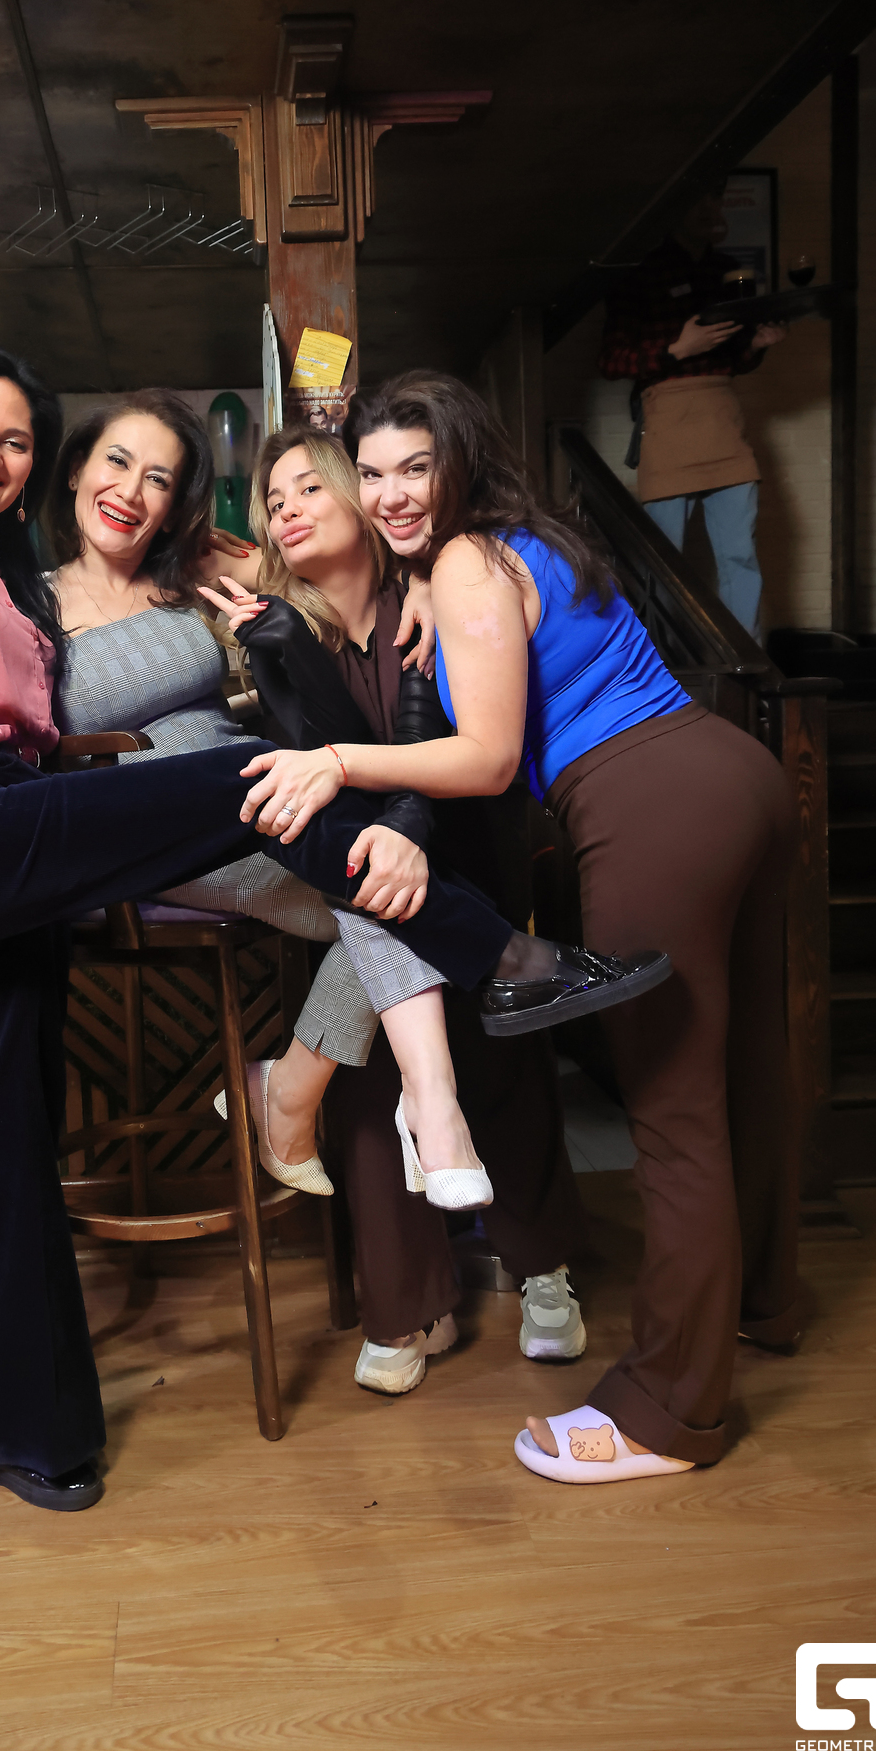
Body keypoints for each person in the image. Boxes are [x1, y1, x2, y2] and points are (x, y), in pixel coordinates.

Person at [0, 346, 605, 1513]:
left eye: (15, 439)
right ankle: (500, 954)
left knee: (11, 1120)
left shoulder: (9, 570)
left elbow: (32, 702)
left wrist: (410, 595)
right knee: (248, 779)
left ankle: (11, 1428)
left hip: (21, 819)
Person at [234, 371, 801, 1484]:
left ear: (462, 461)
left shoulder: (462, 562)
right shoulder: (517, 545)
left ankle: (668, 1412)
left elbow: (490, 759)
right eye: (375, 473)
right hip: (734, 776)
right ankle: (763, 1305)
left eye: (416, 468)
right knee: (747, 1074)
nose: (393, 494)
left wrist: (335, 759)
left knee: (672, 1111)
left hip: (646, 804)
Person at [201, 427, 591, 1390]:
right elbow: (321, 777)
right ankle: (406, 1303)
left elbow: (447, 742)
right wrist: (287, 652)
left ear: (355, 495)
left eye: (308, 488)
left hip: (465, 854)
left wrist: (412, 833)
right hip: (366, 883)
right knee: (371, 1082)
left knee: (505, 1059)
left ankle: (543, 1267)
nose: (287, 510)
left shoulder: (428, 596)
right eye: (273, 500)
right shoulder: (280, 630)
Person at [598, 179, 786, 639]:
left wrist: (757, 345)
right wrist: (677, 348)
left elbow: (732, 359)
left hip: (722, 418)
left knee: (740, 555)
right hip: (668, 422)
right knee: (662, 561)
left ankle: (748, 663)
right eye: (699, 197)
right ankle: (663, 662)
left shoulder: (725, 269)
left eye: (715, 196)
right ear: (674, 208)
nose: (709, 206)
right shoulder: (643, 272)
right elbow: (610, 360)